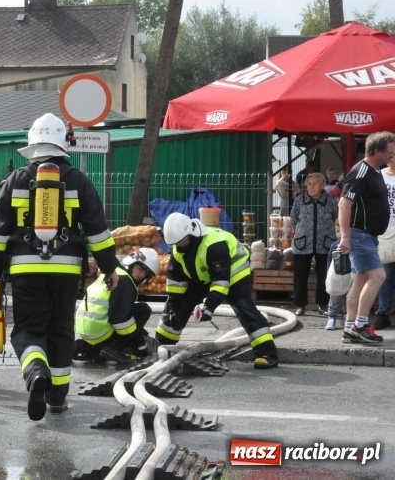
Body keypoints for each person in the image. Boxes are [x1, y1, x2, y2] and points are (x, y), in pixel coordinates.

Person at [0, 113, 120, 421]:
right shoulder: (78, 180)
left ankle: (35, 372)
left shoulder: (16, 180)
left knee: (28, 330)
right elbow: (97, 231)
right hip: (66, 271)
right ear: (63, 143)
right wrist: (109, 267)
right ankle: (57, 398)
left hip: (24, 271)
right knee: (61, 332)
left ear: (32, 144)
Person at [157, 212, 279, 369]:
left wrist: (209, 306)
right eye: (177, 243)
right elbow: (175, 283)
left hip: (234, 273)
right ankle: (162, 346)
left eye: (183, 241)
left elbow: (220, 281)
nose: (181, 245)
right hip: (203, 276)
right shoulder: (177, 249)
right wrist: (174, 307)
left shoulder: (214, 244)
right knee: (177, 306)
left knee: (244, 307)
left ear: (191, 232)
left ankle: (266, 353)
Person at [336, 131, 395, 344]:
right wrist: (345, 236)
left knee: (360, 281)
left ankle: (349, 327)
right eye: (389, 151)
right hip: (360, 234)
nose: (392, 154)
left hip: (367, 235)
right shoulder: (361, 171)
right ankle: (361, 325)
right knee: (378, 276)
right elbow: (344, 203)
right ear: (377, 151)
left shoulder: (373, 171)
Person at [74, 248, 157, 363]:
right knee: (143, 309)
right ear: (132, 263)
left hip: (86, 330)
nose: (142, 274)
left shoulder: (114, 272)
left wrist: (140, 332)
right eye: (141, 268)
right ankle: (115, 349)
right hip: (101, 330)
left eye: (146, 273)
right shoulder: (125, 282)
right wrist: (140, 344)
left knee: (127, 318)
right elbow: (119, 319)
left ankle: (89, 348)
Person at [290, 172, 337, 316]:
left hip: (325, 242)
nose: (311, 187)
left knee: (324, 274)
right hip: (303, 242)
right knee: (300, 274)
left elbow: (335, 217)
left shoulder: (331, 201)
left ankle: (323, 304)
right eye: (309, 184)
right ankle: (300, 305)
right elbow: (294, 219)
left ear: (322, 185)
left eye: (315, 184)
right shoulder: (299, 200)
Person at [374, 154, 395, 330]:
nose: (391, 157)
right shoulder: (378, 175)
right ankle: (383, 313)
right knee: (384, 275)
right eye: (390, 153)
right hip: (384, 230)